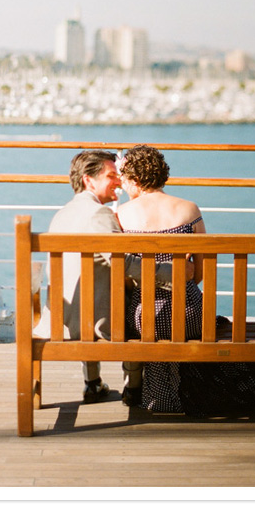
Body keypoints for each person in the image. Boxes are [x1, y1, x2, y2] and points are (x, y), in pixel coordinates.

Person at [117, 144, 255, 416]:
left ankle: (161, 394)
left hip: (144, 318)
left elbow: (123, 276)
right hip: (190, 314)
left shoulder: (120, 215)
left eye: (122, 177)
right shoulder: (189, 209)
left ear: (134, 178)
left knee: (155, 326)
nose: (120, 184)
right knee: (207, 322)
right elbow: (200, 275)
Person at [34, 149, 192, 405]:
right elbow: (124, 263)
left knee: (96, 289)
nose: (119, 181)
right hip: (94, 324)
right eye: (111, 175)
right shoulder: (99, 215)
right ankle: (133, 386)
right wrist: (175, 273)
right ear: (88, 179)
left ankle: (93, 382)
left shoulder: (61, 214)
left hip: (60, 318)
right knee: (139, 304)